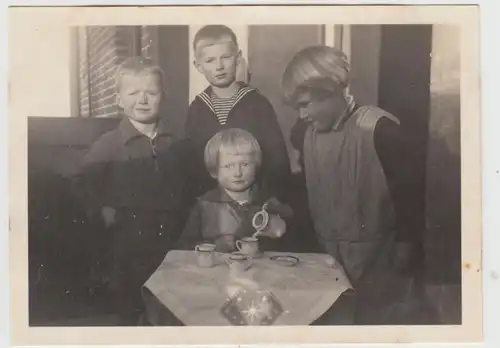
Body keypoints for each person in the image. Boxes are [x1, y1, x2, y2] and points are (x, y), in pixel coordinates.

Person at [281, 45, 428, 324]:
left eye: (306, 104)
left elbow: (410, 198)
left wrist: (406, 247)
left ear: (334, 91)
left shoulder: (381, 131)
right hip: (326, 259)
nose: (301, 115)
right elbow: (308, 189)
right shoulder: (303, 134)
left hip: (378, 263)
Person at [69, 57, 192, 325]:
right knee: (131, 309)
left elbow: (191, 183)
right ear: (119, 99)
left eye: (151, 92)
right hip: (128, 245)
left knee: (171, 308)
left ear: (164, 96)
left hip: (172, 241)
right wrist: (100, 207)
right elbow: (80, 181)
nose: (143, 100)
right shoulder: (110, 144)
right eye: (134, 93)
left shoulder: (177, 141)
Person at [185, 25, 291, 201]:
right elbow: (191, 166)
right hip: (211, 206)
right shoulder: (197, 110)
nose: (219, 66)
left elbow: (277, 163)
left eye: (226, 57)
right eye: (210, 60)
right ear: (198, 66)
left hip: (254, 202)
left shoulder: (257, 104)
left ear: (238, 58)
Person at [177, 128, 293, 252]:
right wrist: (213, 246)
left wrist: (281, 227)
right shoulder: (204, 205)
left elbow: (291, 243)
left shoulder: (269, 203)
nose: (237, 173)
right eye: (228, 166)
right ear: (214, 171)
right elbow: (184, 247)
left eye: (245, 165)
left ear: (256, 166)